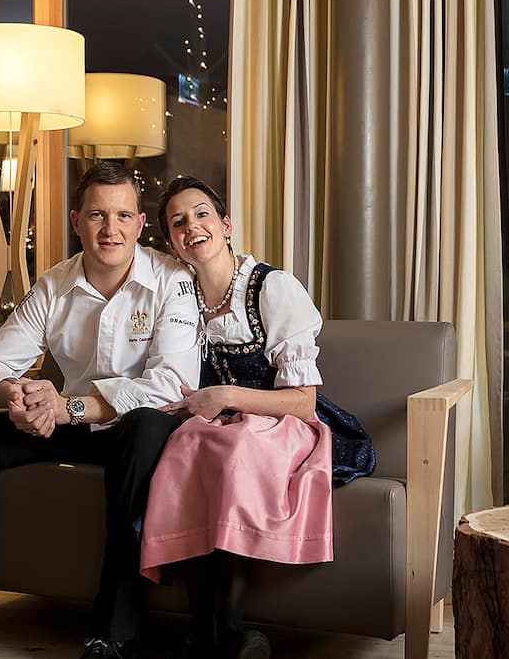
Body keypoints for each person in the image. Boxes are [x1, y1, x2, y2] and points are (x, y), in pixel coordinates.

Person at [0, 163, 202, 659]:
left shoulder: (173, 279)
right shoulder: (54, 285)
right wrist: (17, 395)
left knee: (145, 426)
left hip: (132, 432)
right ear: (77, 221)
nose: (110, 229)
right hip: (69, 423)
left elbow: (171, 385)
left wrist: (68, 406)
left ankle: (114, 630)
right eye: (97, 215)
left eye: (123, 216)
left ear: (141, 223)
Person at [139, 176, 374, 659]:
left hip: (282, 420)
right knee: (185, 445)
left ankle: (229, 627)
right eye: (178, 222)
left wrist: (226, 395)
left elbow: (303, 401)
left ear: (225, 226)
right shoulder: (179, 297)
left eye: (201, 214)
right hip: (216, 422)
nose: (191, 226)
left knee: (236, 450)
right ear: (171, 243)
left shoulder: (272, 287)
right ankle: (202, 632)